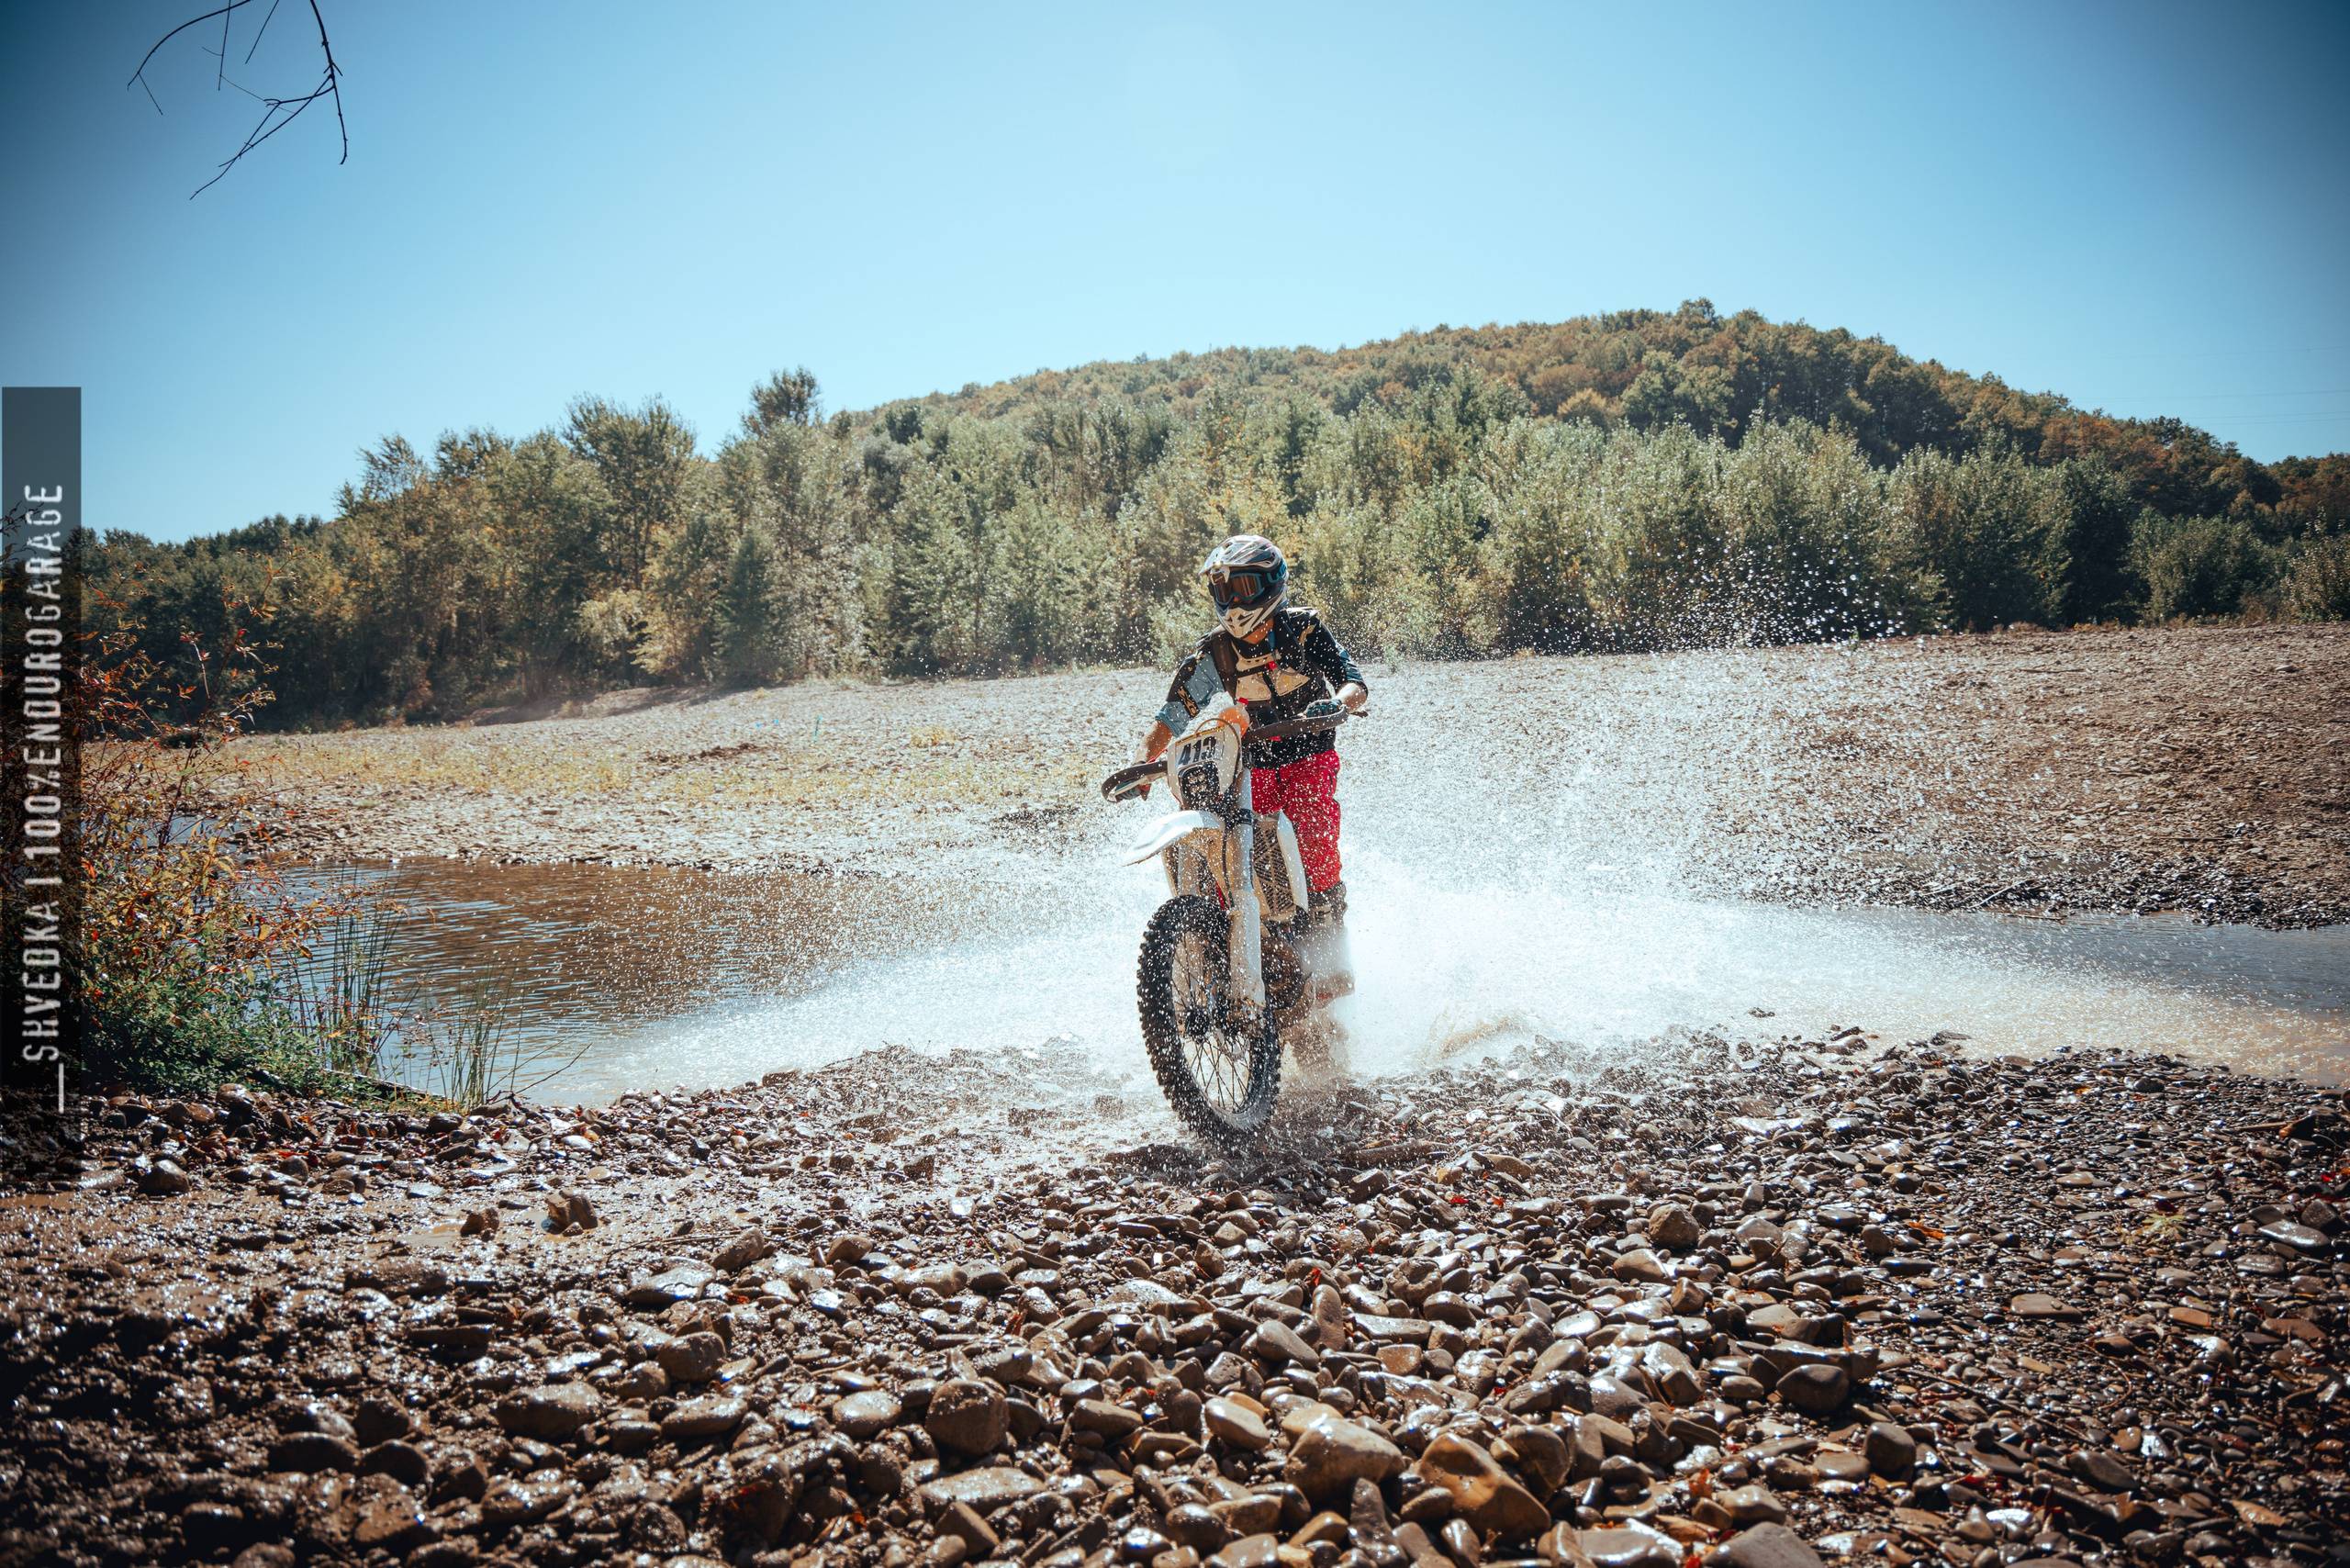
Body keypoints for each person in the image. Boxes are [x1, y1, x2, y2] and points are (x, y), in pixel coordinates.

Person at [1136, 534, 1368, 939]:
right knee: (1238, 844)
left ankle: (1328, 929)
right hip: (1251, 764)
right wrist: (1139, 761)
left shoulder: (1303, 629)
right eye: (1224, 590)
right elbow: (1171, 717)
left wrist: (1339, 704)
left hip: (1309, 756)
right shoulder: (1216, 653)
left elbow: (1353, 682)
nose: (1235, 603)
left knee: (1312, 834)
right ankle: (1237, 933)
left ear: (1271, 583)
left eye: (1243, 588)